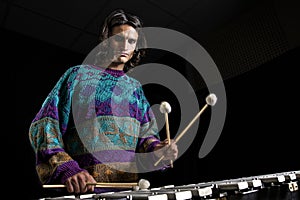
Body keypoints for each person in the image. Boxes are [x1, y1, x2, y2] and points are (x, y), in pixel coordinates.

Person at [28, 9, 178, 196]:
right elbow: (44, 126)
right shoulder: (77, 76)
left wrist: (158, 150)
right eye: (118, 39)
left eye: (131, 41)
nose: (125, 45)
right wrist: (68, 169)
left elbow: (145, 138)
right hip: (84, 192)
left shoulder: (135, 88)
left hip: (128, 192)